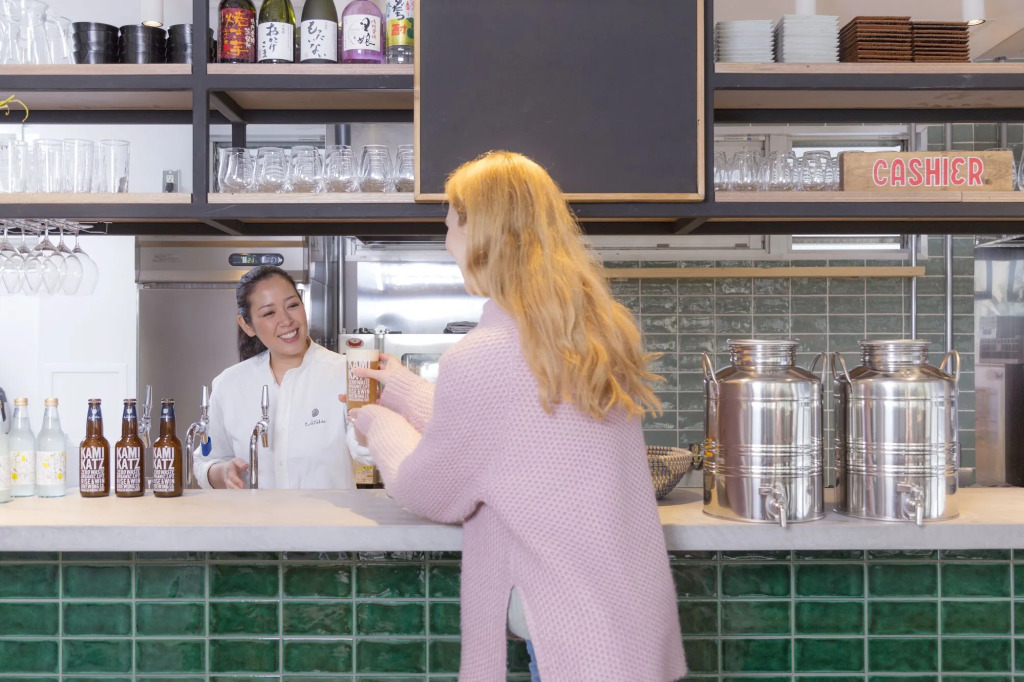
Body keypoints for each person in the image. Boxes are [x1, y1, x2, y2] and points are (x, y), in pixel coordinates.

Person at [348, 151, 687, 681]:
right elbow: (517, 434)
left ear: (481, 232)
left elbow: (429, 491)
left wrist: (377, 423)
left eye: (450, 225)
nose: (446, 242)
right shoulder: (591, 333)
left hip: (569, 636)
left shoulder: (483, 356)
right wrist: (407, 390)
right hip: (626, 616)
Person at [196, 265, 354, 489]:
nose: (287, 320)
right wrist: (222, 472)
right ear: (247, 325)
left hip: (328, 513)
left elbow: (371, 452)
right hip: (255, 513)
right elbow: (205, 460)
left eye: (293, 305)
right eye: (269, 313)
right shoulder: (229, 384)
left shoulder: (345, 373)